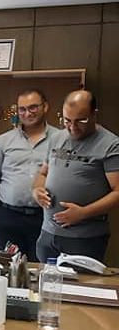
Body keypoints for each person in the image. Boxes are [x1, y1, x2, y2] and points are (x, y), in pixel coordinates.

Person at [33, 90, 119, 263]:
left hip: (85, 238)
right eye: (67, 120)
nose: (72, 127)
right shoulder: (56, 138)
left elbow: (117, 192)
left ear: (94, 115)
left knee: (80, 280)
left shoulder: (110, 145)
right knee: (47, 279)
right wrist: (36, 190)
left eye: (81, 121)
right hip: (48, 233)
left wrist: (83, 213)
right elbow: (43, 173)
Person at [0, 89, 61, 261]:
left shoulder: (61, 139)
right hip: (7, 217)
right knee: (10, 270)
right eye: (22, 109)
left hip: (44, 217)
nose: (27, 113)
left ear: (45, 107)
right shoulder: (3, 141)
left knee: (42, 268)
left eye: (33, 107)